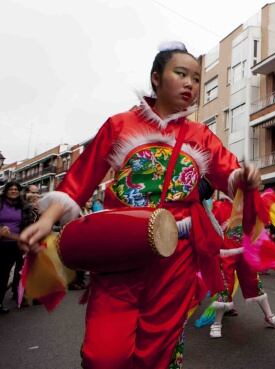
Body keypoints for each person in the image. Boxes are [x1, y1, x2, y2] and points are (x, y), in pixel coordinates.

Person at [18, 42, 260, 368]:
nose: (191, 83)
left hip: (176, 257)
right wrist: (47, 219)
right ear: (156, 78)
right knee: (102, 355)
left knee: (156, 353)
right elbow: (78, 180)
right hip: (120, 251)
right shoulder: (119, 125)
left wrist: (244, 177)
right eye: (181, 73)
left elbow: (228, 174)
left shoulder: (201, 136)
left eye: (197, 78)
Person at [207, 195, 275, 339]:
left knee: (254, 282)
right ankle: (217, 323)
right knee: (225, 286)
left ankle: (269, 316)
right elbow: (210, 230)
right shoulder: (219, 206)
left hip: (245, 252)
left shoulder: (249, 206)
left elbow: (258, 225)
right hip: (226, 254)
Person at [1, 181, 38, 312]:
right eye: (11, 189)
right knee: (3, 273)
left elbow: (28, 224)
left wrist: (25, 238)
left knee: (21, 271)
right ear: (6, 191)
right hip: (3, 243)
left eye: (16, 189)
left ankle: (19, 297)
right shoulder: (1, 204)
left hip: (19, 243)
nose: (14, 191)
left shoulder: (24, 206)